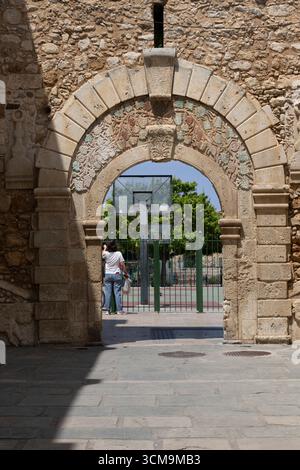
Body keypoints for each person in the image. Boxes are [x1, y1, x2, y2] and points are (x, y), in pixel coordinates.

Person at [102, 240, 128, 315]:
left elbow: (102, 254)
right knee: (117, 293)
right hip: (117, 274)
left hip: (107, 274)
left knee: (108, 292)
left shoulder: (106, 253)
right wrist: (126, 273)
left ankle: (107, 310)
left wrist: (104, 248)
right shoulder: (118, 253)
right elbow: (122, 265)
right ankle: (119, 310)